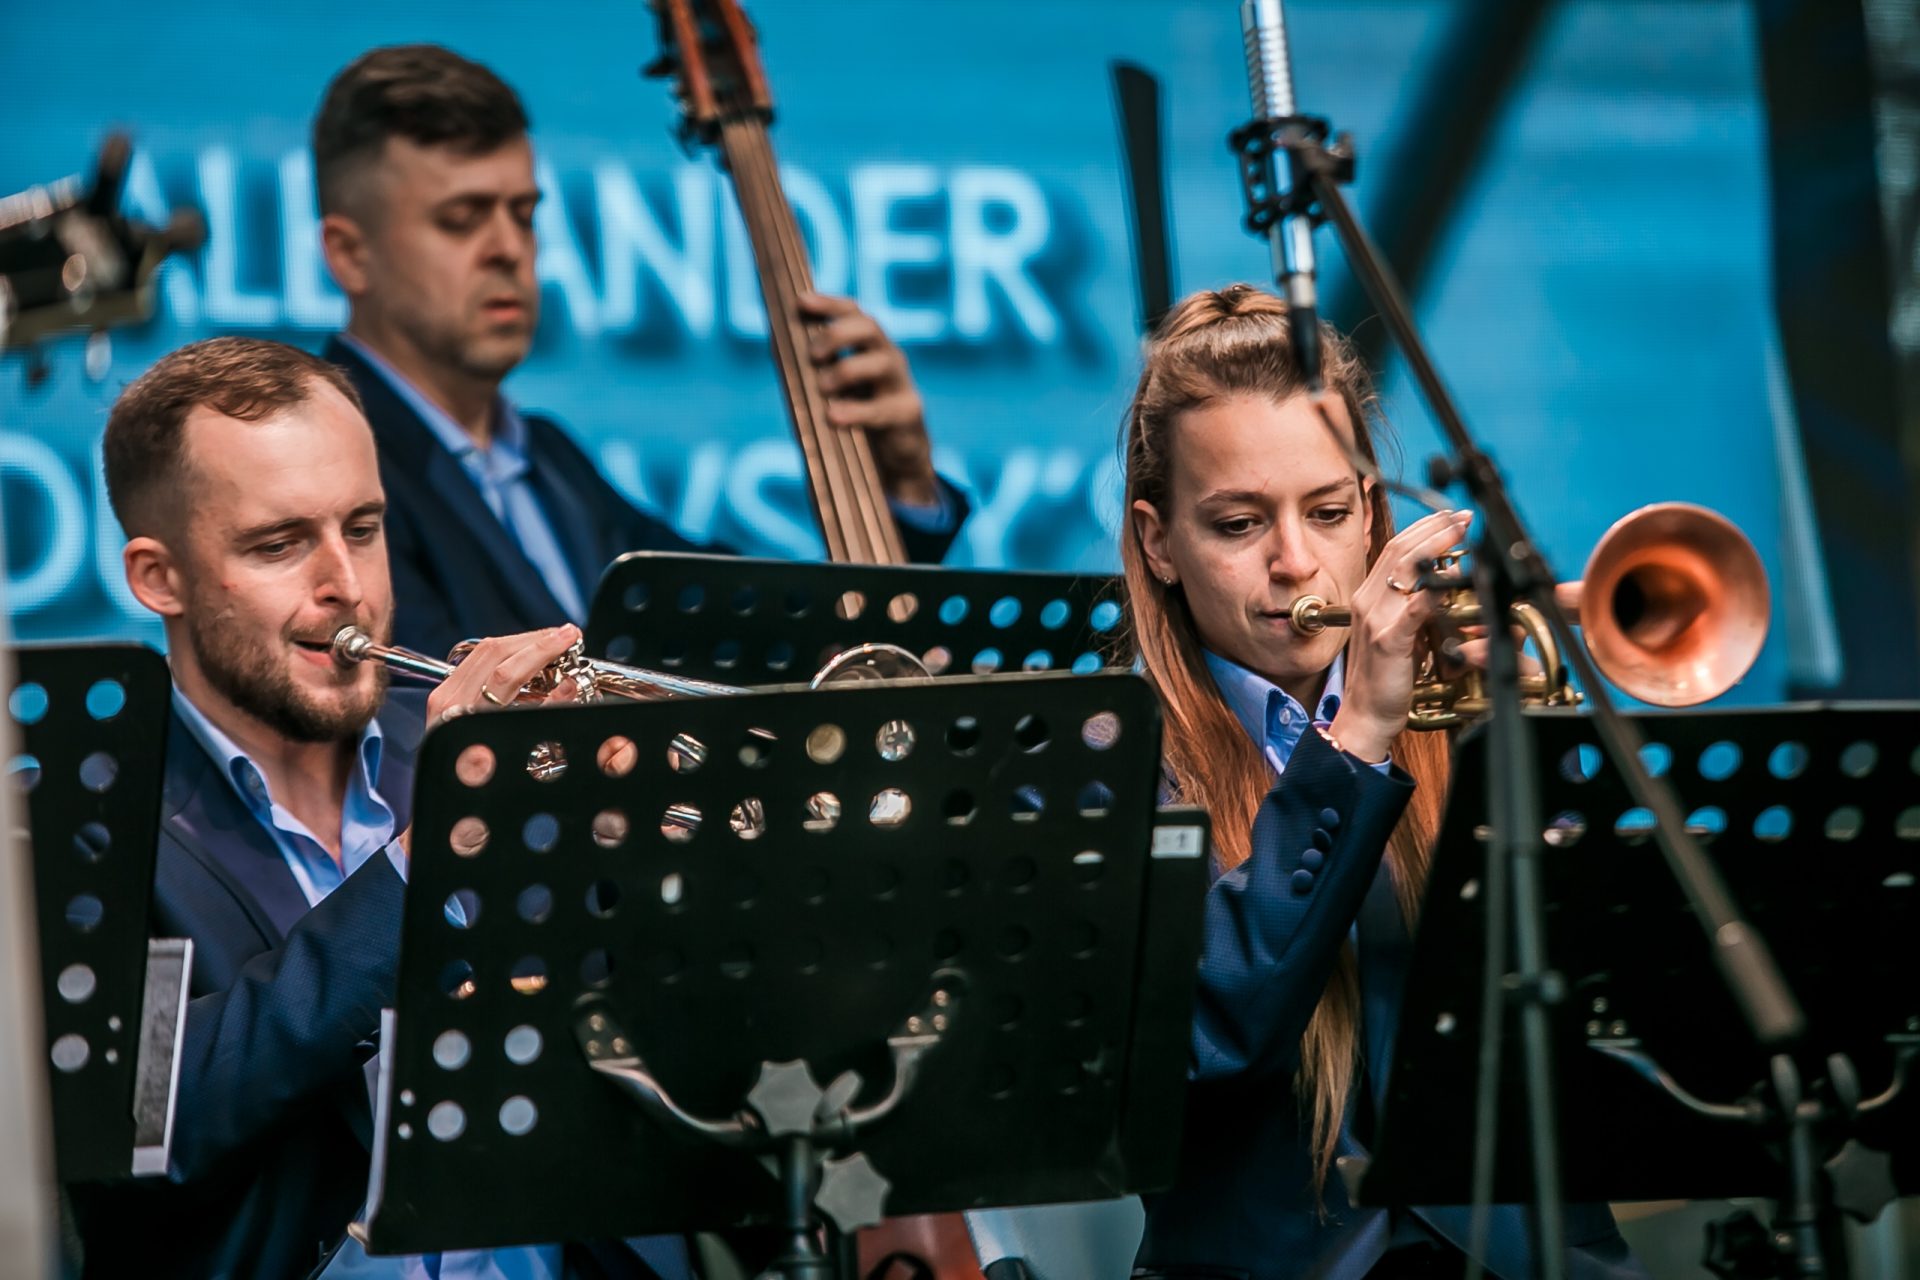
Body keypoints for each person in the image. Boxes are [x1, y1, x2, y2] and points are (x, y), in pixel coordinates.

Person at [78, 336, 691, 1280]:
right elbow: (150, 1122)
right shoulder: (91, 824)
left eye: (362, 529)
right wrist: (431, 858)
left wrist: (652, 865)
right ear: (159, 578)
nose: (349, 587)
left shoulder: (494, 753)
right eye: (280, 544)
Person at [1119, 286, 1646, 1280]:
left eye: (1327, 513)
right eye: (1237, 523)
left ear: (1371, 515)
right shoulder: (1114, 766)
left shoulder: (1465, 703)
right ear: (1159, 542)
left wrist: (1527, 752)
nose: (1294, 562)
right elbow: (1208, 1037)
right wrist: (1356, 733)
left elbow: (1606, 997)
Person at [310, 44, 968, 658]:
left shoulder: (548, 459)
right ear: (350, 255)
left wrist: (899, 489)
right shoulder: (330, 474)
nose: (508, 248)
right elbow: (422, 708)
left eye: (524, 215)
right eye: (461, 219)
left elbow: (760, 630)